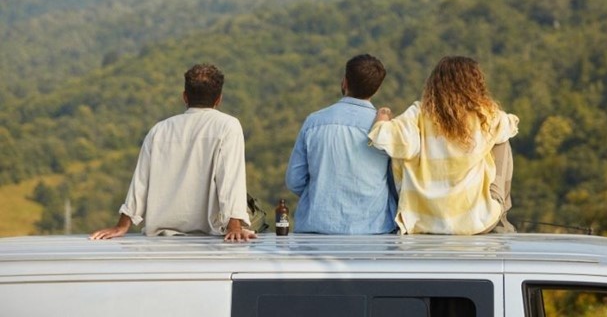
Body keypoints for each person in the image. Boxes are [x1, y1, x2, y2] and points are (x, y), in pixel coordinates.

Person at [90, 64, 257, 242]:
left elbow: (140, 182)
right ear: (219, 99)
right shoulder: (227, 126)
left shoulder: (159, 130)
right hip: (208, 241)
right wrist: (235, 226)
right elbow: (230, 178)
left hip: (159, 241)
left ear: (185, 97)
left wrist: (122, 225)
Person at [368, 56, 518, 235]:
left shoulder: (418, 114)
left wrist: (382, 119)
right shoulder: (485, 116)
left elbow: (385, 137)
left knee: (401, 150)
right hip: (475, 219)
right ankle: (499, 212)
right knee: (502, 140)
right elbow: (511, 124)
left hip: (424, 219)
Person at [285, 54, 397, 234]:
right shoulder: (386, 130)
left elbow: (294, 180)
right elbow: (396, 184)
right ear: (376, 89)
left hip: (315, 232)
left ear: (345, 82)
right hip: (374, 233)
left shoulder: (314, 122)